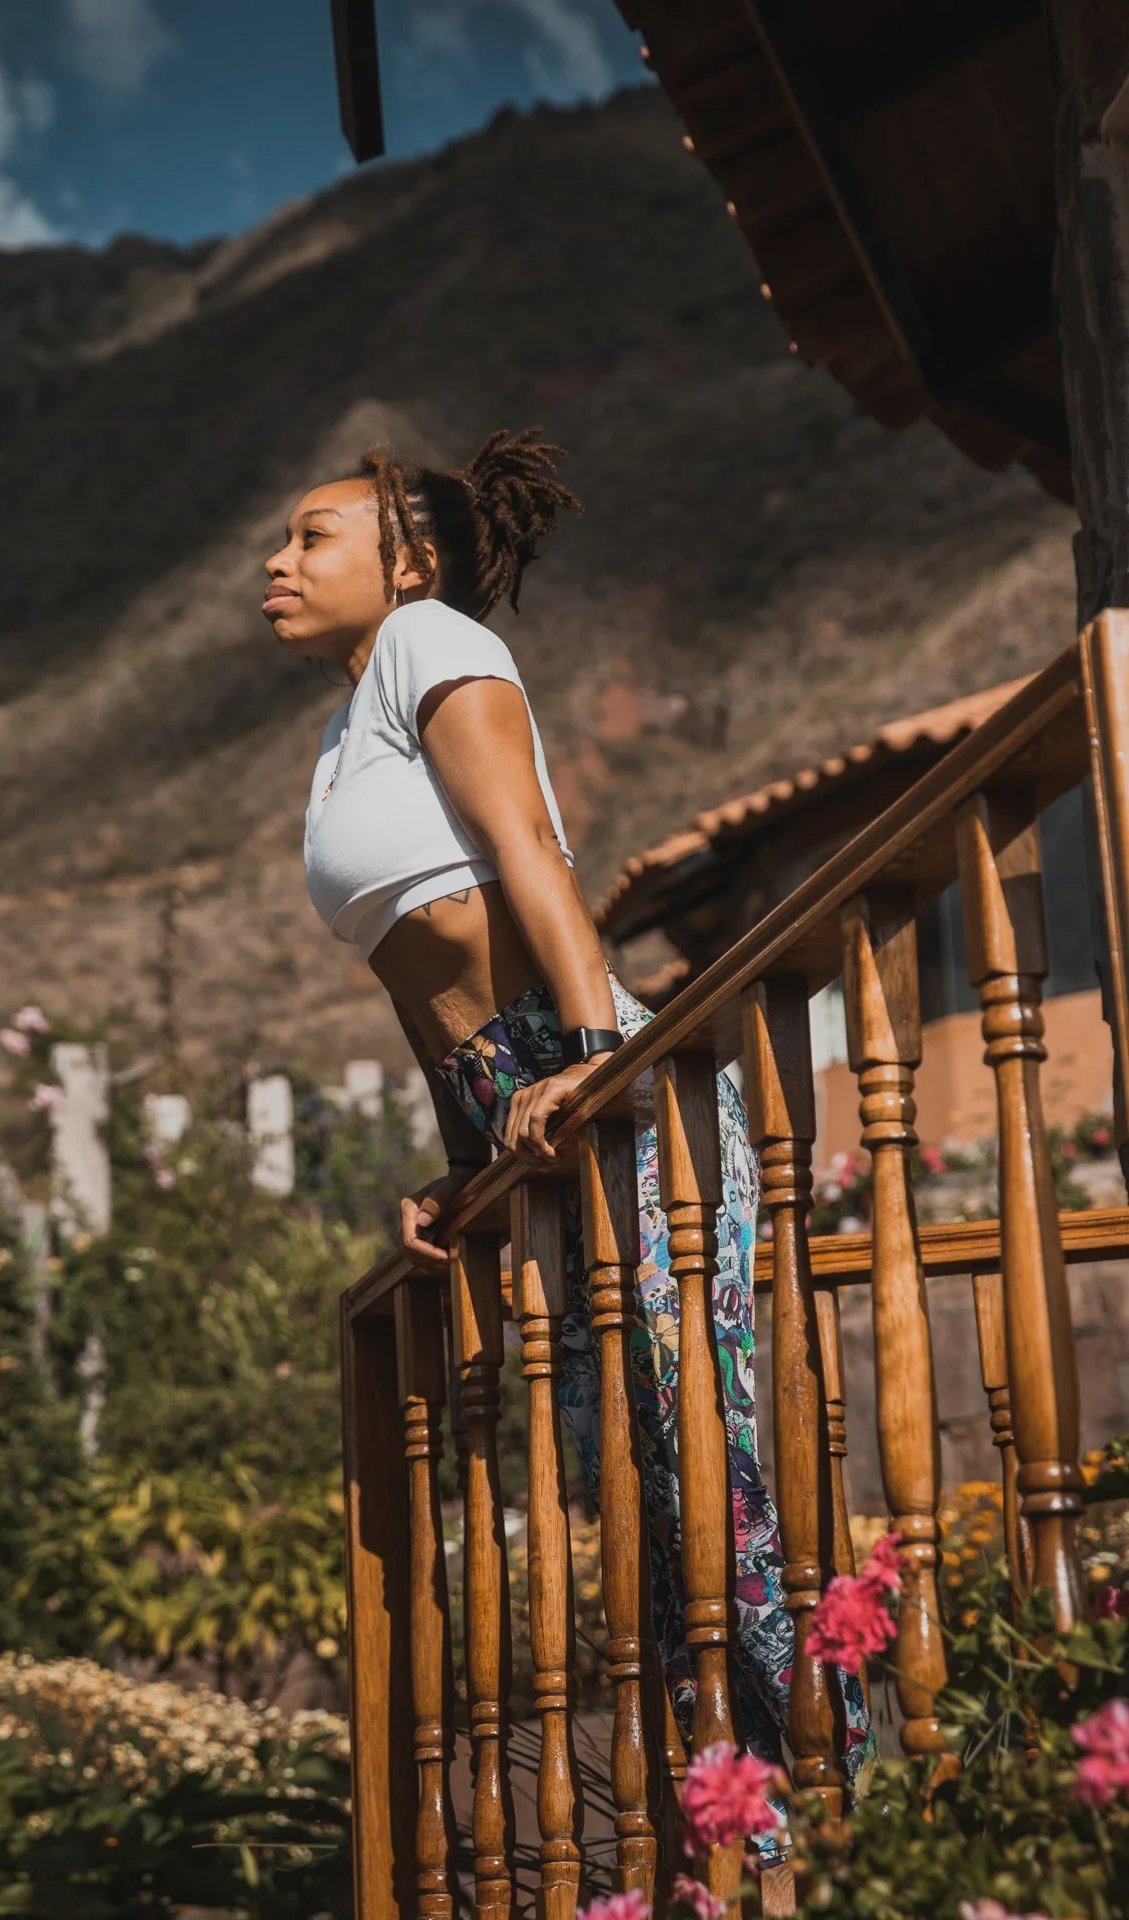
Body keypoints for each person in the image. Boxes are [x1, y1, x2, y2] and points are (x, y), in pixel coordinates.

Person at [262, 428, 871, 1803]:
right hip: (521, 1114)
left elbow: (532, 854)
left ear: (408, 560)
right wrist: (459, 1165)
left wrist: (597, 1064)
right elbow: (425, 972)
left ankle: (864, 1817)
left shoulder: (432, 643)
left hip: (604, 1096)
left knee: (717, 1499)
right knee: (641, 1521)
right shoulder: (345, 730)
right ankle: (747, 1840)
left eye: (312, 536)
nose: (276, 562)